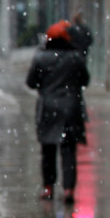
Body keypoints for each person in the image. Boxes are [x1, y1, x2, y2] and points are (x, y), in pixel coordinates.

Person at [26, 20, 90, 203]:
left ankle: (48, 187)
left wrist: (45, 86)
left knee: (48, 150)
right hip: (71, 107)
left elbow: (31, 82)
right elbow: (85, 80)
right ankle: (69, 189)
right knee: (69, 150)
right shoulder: (75, 58)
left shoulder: (40, 57)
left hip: (48, 107)